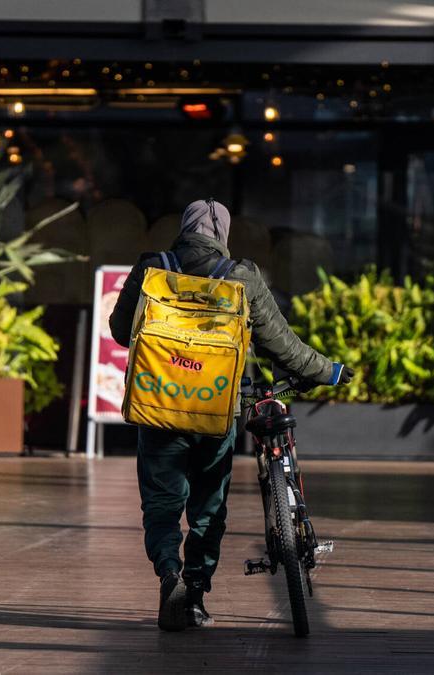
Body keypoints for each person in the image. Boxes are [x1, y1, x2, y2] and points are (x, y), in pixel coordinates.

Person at [109, 198, 353, 632]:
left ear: (184, 229)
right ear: (222, 236)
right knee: (208, 509)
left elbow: (119, 329)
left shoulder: (151, 269)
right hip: (217, 410)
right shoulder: (241, 276)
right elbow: (282, 345)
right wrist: (329, 371)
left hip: (158, 407)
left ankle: (169, 575)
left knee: (162, 504)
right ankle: (196, 596)